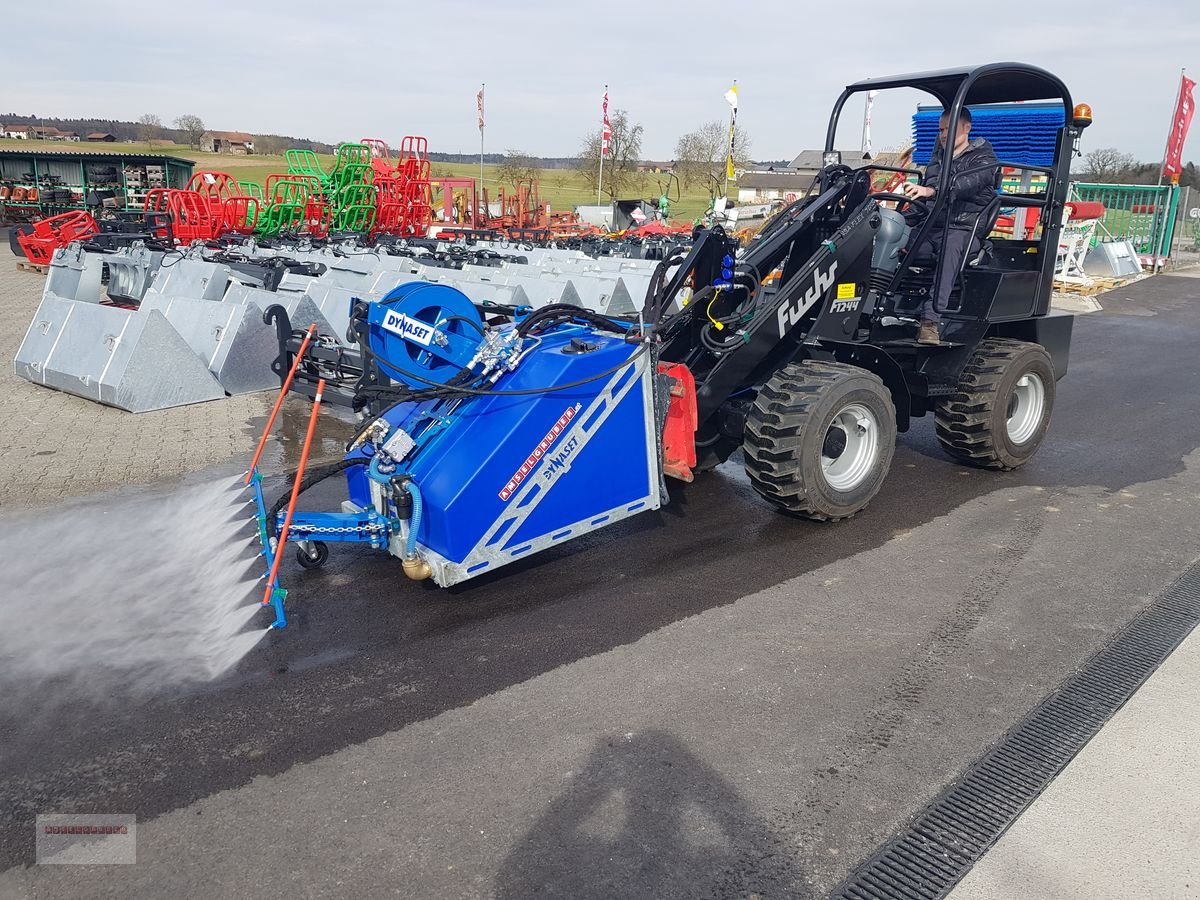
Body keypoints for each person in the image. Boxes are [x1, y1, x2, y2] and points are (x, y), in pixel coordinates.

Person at [901, 108, 999, 344]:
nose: (943, 134)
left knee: (950, 245)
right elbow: (922, 202)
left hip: (964, 229)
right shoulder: (937, 163)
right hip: (933, 228)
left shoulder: (984, 160)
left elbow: (965, 184)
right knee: (895, 239)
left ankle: (930, 321)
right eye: (941, 130)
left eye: (949, 129)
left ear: (966, 129)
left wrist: (932, 191)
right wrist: (896, 222)